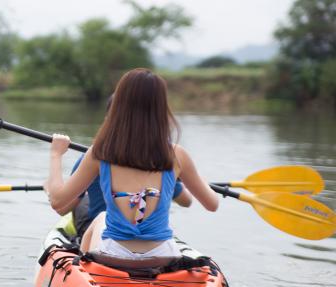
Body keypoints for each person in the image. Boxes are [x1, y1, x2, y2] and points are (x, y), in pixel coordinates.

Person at [44, 68, 218, 259]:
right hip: (163, 254)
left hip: (114, 253)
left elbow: (57, 201)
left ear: (119, 106)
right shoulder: (178, 155)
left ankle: (83, 269)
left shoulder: (100, 152)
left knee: (101, 218)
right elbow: (212, 204)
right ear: (161, 108)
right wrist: (195, 177)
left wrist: (56, 154)